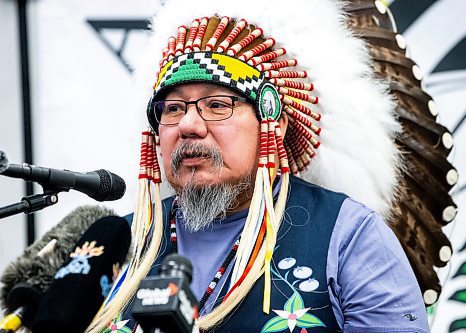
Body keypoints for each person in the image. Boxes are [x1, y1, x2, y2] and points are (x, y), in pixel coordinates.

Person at [86, 1, 435, 332]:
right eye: (173, 109)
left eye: (218, 104)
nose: (189, 124)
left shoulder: (350, 236)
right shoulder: (119, 243)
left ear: (274, 124)